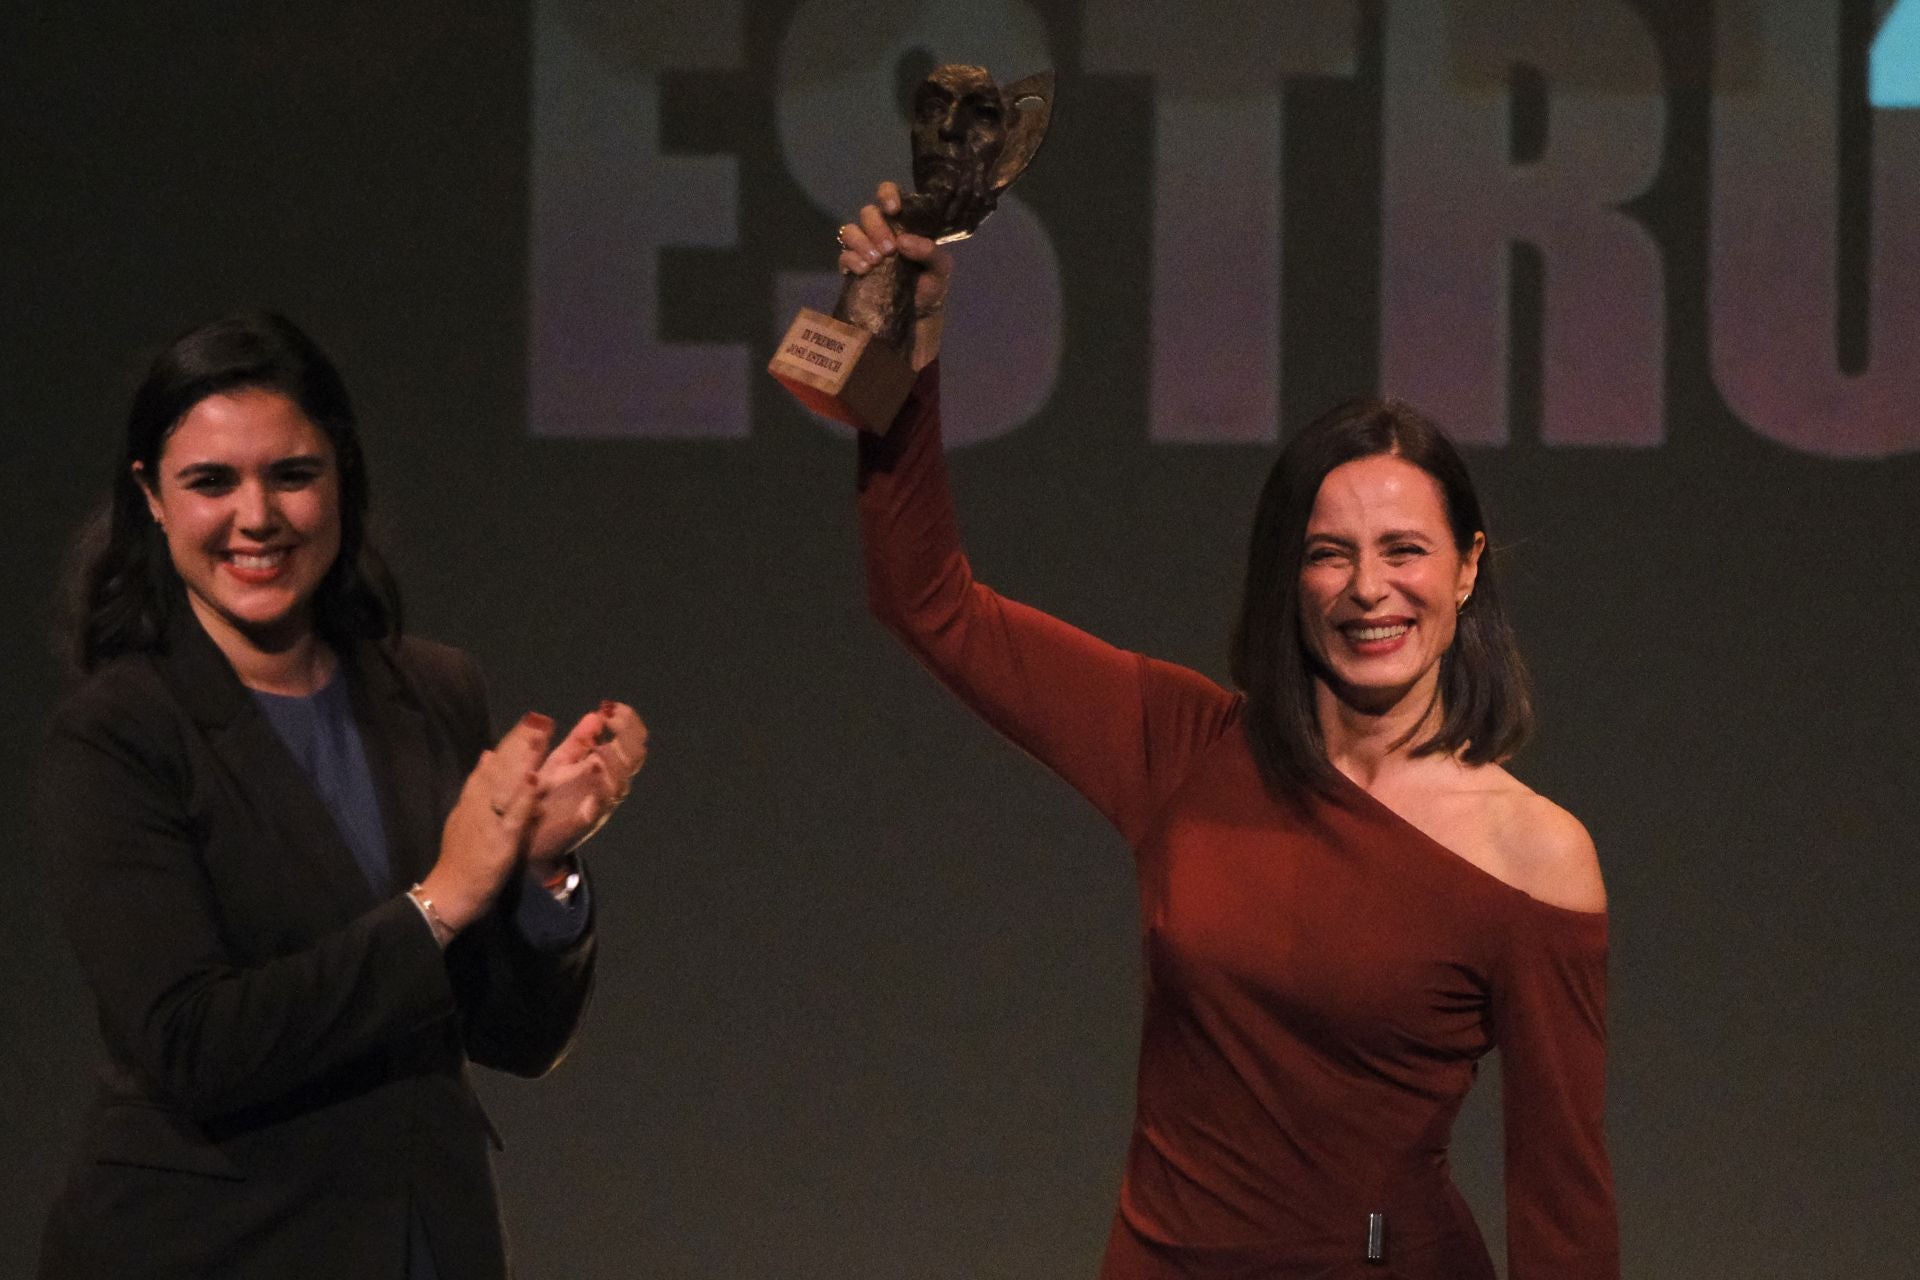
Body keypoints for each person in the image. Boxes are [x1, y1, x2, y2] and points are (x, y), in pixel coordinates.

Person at [837, 183, 1617, 1279]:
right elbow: (927, 600)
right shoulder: (1187, 750)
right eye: (1329, 553)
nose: (1368, 589)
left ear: (1466, 568)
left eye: (1404, 549)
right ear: (1289, 577)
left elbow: (1561, 1205)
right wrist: (903, 356)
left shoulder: (1534, 858)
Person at [34, 312, 648, 1279]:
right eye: (211, 482)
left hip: (426, 1240)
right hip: (216, 1250)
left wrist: (540, 872)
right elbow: (193, 1044)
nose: (257, 517)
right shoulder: (118, 733)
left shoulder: (434, 689)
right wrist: (441, 901)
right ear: (151, 497)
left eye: (291, 474)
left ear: (342, 478)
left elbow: (516, 1038)